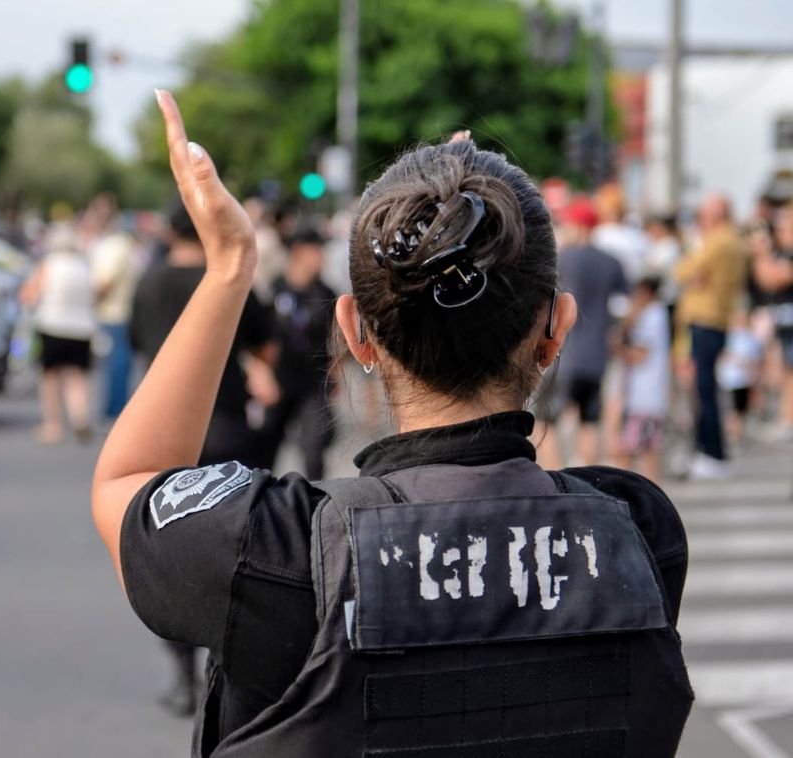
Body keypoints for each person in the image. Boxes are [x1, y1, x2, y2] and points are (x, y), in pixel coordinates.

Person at [92, 91, 692, 756]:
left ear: (356, 333)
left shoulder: (280, 550)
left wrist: (230, 266)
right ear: (556, 330)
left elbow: (130, 480)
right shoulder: (638, 531)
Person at [128, 199, 278, 717]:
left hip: (165, 436)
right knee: (235, 552)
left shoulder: (148, 284)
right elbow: (268, 341)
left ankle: (182, 678)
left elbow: (134, 343)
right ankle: (230, 670)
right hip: (230, 426)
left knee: (170, 554)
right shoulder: (227, 281)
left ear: (168, 235)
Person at [675, 194, 749, 478]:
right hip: (716, 320)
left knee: (704, 389)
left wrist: (694, 266)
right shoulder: (733, 241)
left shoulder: (718, 241)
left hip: (706, 320)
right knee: (707, 388)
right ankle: (711, 450)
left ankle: (712, 451)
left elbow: (684, 270)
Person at [553, 196, 628, 465]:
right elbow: (622, 308)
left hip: (563, 351)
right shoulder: (611, 262)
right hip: (598, 353)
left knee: (548, 420)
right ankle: (589, 476)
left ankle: (552, 478)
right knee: (590, 419)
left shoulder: (561, 259)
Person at [260, 226, 338, 479]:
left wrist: (335, 376)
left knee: (314, 449)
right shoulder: (274, 289)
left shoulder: (325, 293)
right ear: (297, 252)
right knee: (264, 446)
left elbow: (334, 340)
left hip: (313, 382)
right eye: (315, 251)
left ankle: (315, 505)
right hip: (279, 379)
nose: (320, 257)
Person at [19, 225, 96, 444]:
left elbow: (29, 294)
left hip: (52, 325)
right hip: (82, 328)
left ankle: (53, 425)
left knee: (50, 377)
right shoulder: (83, 266)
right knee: (77, 377)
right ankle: (80, 417)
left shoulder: (48, 265)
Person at [87, 200, 140, 421]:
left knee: (117, 364)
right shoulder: (120, 243)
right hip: (118, 312)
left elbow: (105, 282)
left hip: (115, 313)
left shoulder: (113, 245)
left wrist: (90, 301)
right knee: (118, 364)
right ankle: (114, 408)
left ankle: (114, 410)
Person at [617, 277, 672, 481]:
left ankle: (627, 495)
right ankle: (652, 492)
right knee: (649, 450)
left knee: (626, 449)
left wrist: (619, 348)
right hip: (652, 397)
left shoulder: (651, 315)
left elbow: (640, 354)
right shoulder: (659, 314)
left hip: (643, 398)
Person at [752, 202, 793, 440]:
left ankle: (788, 420)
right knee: (785, 371)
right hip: (783, 318)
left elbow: (771, 279)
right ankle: (785, 418)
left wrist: (762, 253)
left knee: (789, 372)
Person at [716, 309, 764, 446]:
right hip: (729, 380)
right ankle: (732, 434)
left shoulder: (751, 337)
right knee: (730, 408)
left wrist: (754, 373)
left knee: (741, 408)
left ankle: (737, 433)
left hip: (744, 380)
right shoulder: (728, 336)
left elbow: (756, 359)